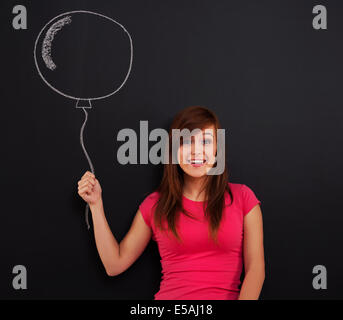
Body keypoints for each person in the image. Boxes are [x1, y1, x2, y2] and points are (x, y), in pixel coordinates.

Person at [77, 106, 265, 300]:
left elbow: (256, 269)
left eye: (206, 142)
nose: (196, 151)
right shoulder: (155, 205)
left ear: (218, 149)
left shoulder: (242, 198)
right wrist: (96, 205)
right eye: (187, 142)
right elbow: (114, 265)